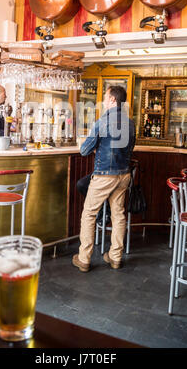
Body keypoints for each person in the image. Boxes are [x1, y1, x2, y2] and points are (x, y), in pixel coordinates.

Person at [72, 85, 136, 272]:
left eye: (105, 97)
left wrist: (95, 146)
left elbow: (84, 150)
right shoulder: (130, 123)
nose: (103, 100)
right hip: (124, 175)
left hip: (104, 176)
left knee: (89, 214)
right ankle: (115, 257)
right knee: (118, 215)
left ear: (113, 100)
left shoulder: (103, 121)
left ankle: (84, 258)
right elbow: (129, 148)